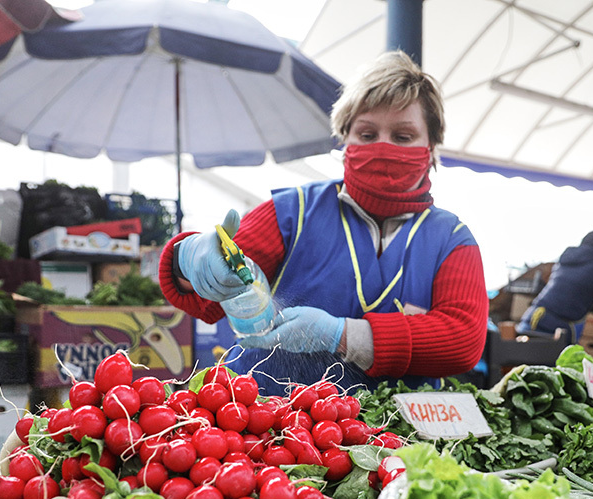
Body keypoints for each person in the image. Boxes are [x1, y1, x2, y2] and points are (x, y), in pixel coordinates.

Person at [159, 51, 488, 394]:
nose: (383, 147)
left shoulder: (450, 239)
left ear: (431, 147)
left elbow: (462, 340)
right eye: (367, 133)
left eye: (402, 137)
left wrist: (345, 335)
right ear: (345, 140)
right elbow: (214, 294)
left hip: (396, 433)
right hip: (271, 424)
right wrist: (190, 260)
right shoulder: (291, 213)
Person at [515, 230, 593, 342]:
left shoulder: (565, 263)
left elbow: (589, 303)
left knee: (522, 357)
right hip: (552, 331)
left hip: (531, 319)